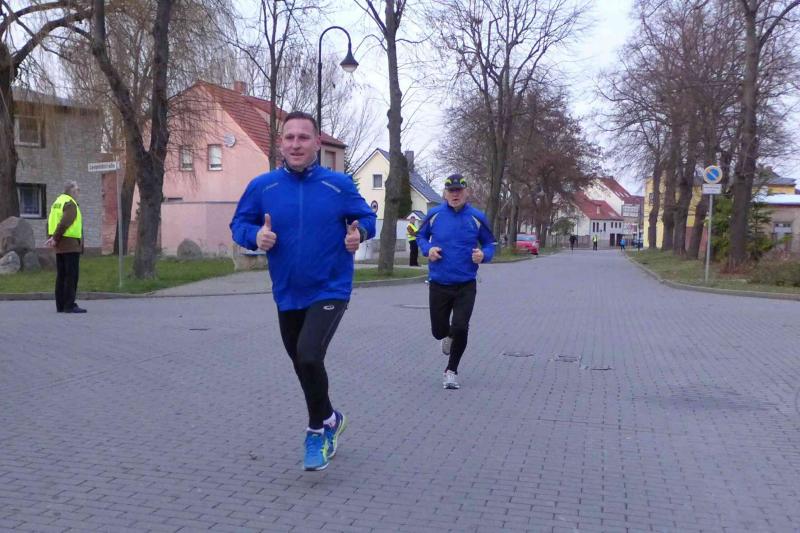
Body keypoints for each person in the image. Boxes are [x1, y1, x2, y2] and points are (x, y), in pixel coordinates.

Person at [230, 111, 376, 471]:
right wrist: (255, 236)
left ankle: (316, 432)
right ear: (281, 143)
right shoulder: (263, 186)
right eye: (289, 137)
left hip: (330, 287)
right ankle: (331, 418)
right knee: (302, 363)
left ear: (317, 143)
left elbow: (366, 218)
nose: (296, 144)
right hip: (287, 292)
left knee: (309, 356)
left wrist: (359, 233)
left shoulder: (338, 184)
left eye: (303, 137)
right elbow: (239, 224)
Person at [416, 173, 495, 390]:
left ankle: (451, 371)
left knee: (461, 326)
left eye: (459, 190)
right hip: (439, 282)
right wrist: (428, 249)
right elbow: (420, 237)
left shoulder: (477, 217)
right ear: (445, 193)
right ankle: (447, 335)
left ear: (466, 192)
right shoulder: (434, 215)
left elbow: (490, 244)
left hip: (465, 284)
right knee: (438, 331)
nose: (455, 194)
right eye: (451, 191)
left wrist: (484, 255)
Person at [45, 181, 86, 314]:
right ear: (72, 191)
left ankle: (60, 305)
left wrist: (52, 238)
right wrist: (55, 238)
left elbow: (50, 222)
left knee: (61, 275)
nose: (79, 192)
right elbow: (64, 222)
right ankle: (69, 305)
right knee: (71, 276)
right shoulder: (70, 204)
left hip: (60, 245)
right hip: (70, 245)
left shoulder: (57, 202)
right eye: (77, 190)